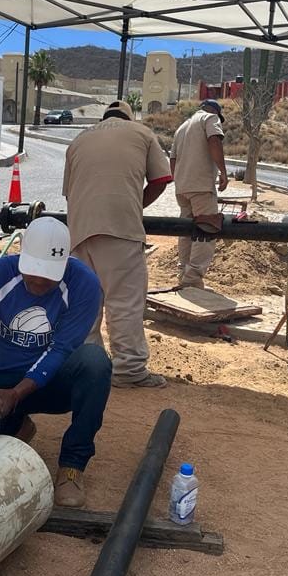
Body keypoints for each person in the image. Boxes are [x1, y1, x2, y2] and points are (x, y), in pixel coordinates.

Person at [0, 217, 111, 508]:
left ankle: (72, 466)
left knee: (95, 362)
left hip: (54, 382)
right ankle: (16, 428)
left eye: (48, 275)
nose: (39, 282)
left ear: (65, 262)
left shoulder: (84, 284)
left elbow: (61, 348)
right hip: (2, 378)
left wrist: (17, 393)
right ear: (21, 255)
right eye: (33, 272)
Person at [63, 100, 173, 389]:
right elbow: (161, 179)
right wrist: (136, 206)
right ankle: (129, 370)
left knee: (85, 305)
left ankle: (89, 368)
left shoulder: (78, 141)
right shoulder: (142, 133)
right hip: (120, 229)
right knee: (124, 304)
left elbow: (70, 194)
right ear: (129, 117)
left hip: (79, 232)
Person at [170, 98, 229, 288]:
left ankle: (183, 274)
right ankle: (193, 279)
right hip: (201, 185)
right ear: (215, 111)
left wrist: (178, 180)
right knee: (206, 230)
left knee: (186, 231)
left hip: (182, 187)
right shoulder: (210, 118)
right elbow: (214, 141)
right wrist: (223, 172)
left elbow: (173, 159)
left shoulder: (182, 128)